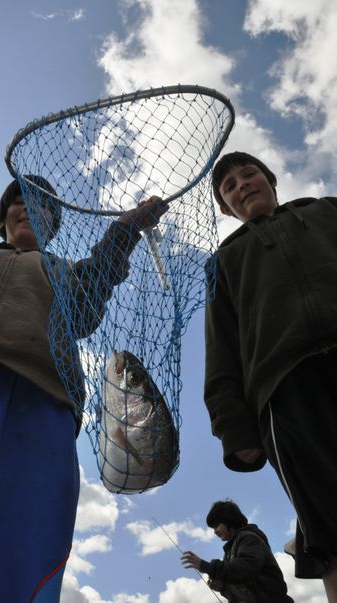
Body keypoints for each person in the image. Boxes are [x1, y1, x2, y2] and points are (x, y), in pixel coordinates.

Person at [0, 160, 168, 603]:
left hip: (36, 402)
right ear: (3, 215)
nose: (29, 210)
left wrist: (124, 231)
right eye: (20, 202)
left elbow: (87, 306)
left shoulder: (65, 272)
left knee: (7, 550)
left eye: (44, 207)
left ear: (56, 224)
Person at [204, 151, 337, 601]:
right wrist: (233, 427)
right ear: (226, 208)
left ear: (271, 179)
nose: (242, 185)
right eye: (229, 187)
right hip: (286, 392)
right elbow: (222, 351)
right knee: (328, 531)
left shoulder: (325, 211)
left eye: (249, 174)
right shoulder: (225, 261)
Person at [181, 500, 294, 602]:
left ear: (229, 520)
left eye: (216, 525)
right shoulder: (230, 550)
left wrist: (206, 566)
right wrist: (223, 587)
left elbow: (244, 569)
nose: (215, 531)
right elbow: (241, 585)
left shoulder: (248, 537)